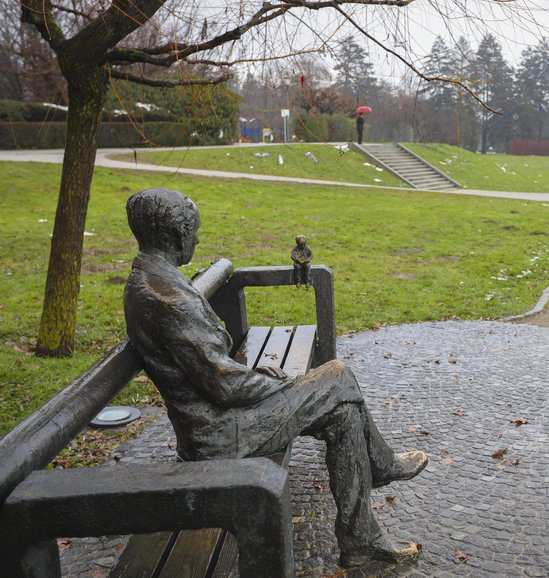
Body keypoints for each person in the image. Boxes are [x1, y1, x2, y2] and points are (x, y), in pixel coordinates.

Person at [123, 188, 427, 568]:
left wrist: (251, 371)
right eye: (194, 231)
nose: (197, 239)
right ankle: (381, 467)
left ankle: (361, 540)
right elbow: (224, 384)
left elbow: (208, 366)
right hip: (220, 434)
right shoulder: (166, 297)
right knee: (338, 377)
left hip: (218, 418)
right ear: (177, 233)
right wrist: (285, 386)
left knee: (344, 413)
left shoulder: (155, 279)